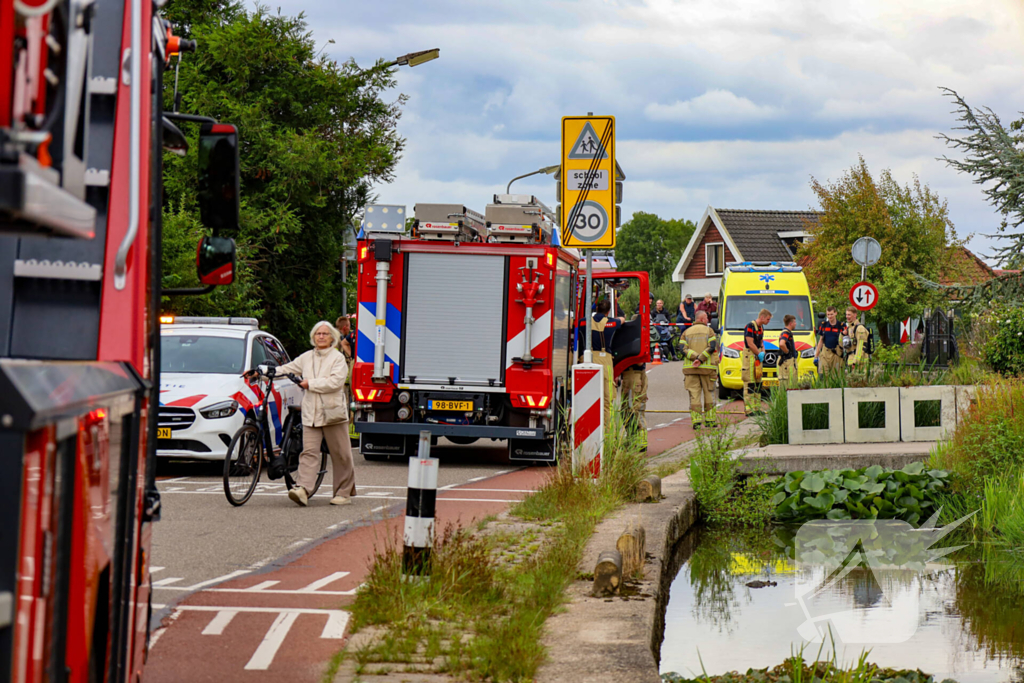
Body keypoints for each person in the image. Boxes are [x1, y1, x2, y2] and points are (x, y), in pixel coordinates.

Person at [271, 321, 357, 507]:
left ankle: (343, 492)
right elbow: (286, 369)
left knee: (341, 454)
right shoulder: (306, 357)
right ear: (313, 337)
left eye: (325, 334)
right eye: (318, 333)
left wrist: (310, 383)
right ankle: (303, 489)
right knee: (308, 453)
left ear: (332, 337)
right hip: (311, 413)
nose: (321, 336)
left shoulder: (337, 358)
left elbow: (335, 382)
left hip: (333, 413)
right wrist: (262, 373)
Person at [680, 311, 719, 429]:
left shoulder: (686, 332)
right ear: (702, 319)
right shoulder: (709, 331)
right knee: (709, 394)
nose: (708, 320)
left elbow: (682, 349)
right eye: (706, 318)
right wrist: (701, 359)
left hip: (691, 370)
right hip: (707, 370)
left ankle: (696, 421)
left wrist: (694, 357)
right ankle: (710, 420)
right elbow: (712, 347)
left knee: (694, 395)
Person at [591, 299, 621, 427]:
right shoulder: (613, 323)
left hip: (588, 360)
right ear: (608, 311)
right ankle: (607, 433)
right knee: (607, 401)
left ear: (596, 308)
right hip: (605, 362)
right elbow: (622, 320)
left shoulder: (583, 323)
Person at [621, 314, 649, 450]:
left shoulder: (636, 338)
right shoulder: (642, 336)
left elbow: (639, 361)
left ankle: (639, 441)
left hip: (632, 374)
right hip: (636, 375)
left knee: (633, 409)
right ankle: (634, 439)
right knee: (630, 409)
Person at [742, 308, 772, 415]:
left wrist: (763, 351)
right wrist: (758, 353)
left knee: (758, 384)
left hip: (757, 358)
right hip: (750, 357)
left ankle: (756, 408)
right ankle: (749, 409)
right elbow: (750, 343)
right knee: (750, 384)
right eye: (768, 319)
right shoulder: (750, 326)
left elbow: (761, 342)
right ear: (762, 317)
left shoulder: (761, 328)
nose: (768, 321)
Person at [814, 306, 844, 375]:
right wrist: (816, 356)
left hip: (837, 354)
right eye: (828, 314)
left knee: (836, 376)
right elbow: (821, 340)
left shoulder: (841, 326)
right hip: (825, 353)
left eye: (831, 314)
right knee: (823, 375)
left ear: (835, 313)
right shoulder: (824, 325)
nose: (830, 316)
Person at [778, 314, 799, 387]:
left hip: (788, 361)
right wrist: (787, 352)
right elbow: (782, 344)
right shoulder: (786, 332)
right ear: (791, 323)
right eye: (795, 322)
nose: (796, 324)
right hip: (787, 362)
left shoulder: (787, 332)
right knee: (787, 383)